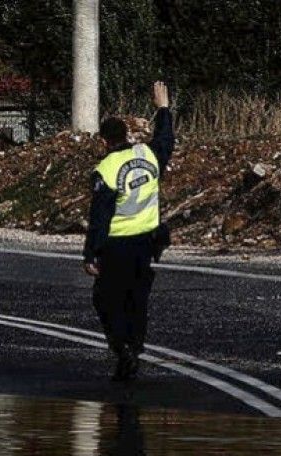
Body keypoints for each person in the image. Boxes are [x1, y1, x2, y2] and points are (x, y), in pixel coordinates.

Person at [83, 81, 175, 381]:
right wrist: (163, 107)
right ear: (126, 135)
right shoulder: (147, 156)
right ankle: (134, 349)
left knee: (106, 299)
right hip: (147, 243)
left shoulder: (107, 169)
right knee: (138, 298)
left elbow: (100, 217)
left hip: (117, 245)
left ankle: (122, 349)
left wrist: (90, 253)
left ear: (104, 141)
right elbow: (165, 140)